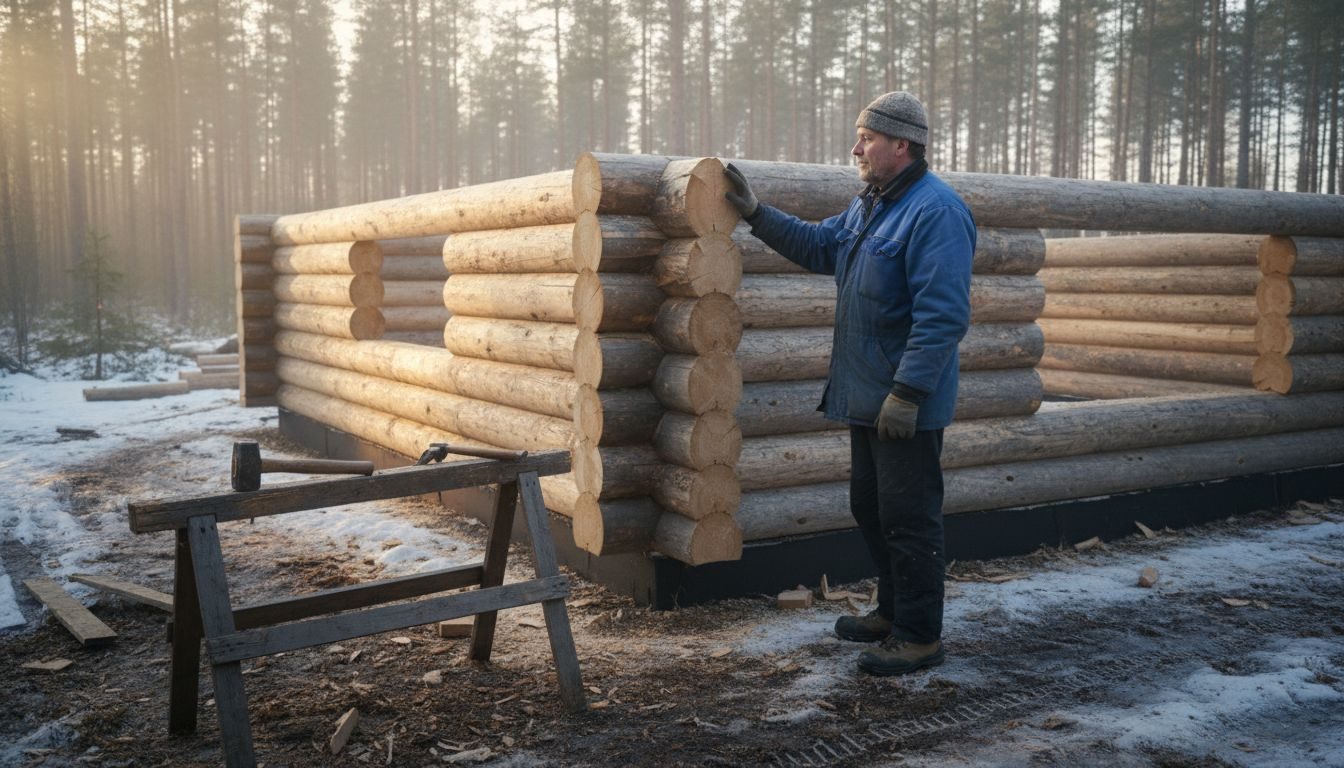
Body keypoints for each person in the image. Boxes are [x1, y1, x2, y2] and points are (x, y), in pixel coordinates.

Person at [724, 91, 974, 676]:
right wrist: (756, 213)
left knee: (909, 519)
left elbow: (942, 316)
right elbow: (819, 245)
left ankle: (918, 635)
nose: (856, 147)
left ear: (901, 146)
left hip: (902, 402)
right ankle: (892, 611)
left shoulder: (935, 211)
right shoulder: (872, 205)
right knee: (872, 508)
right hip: (869, 397)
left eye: (867, 138)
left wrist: (909, 393)